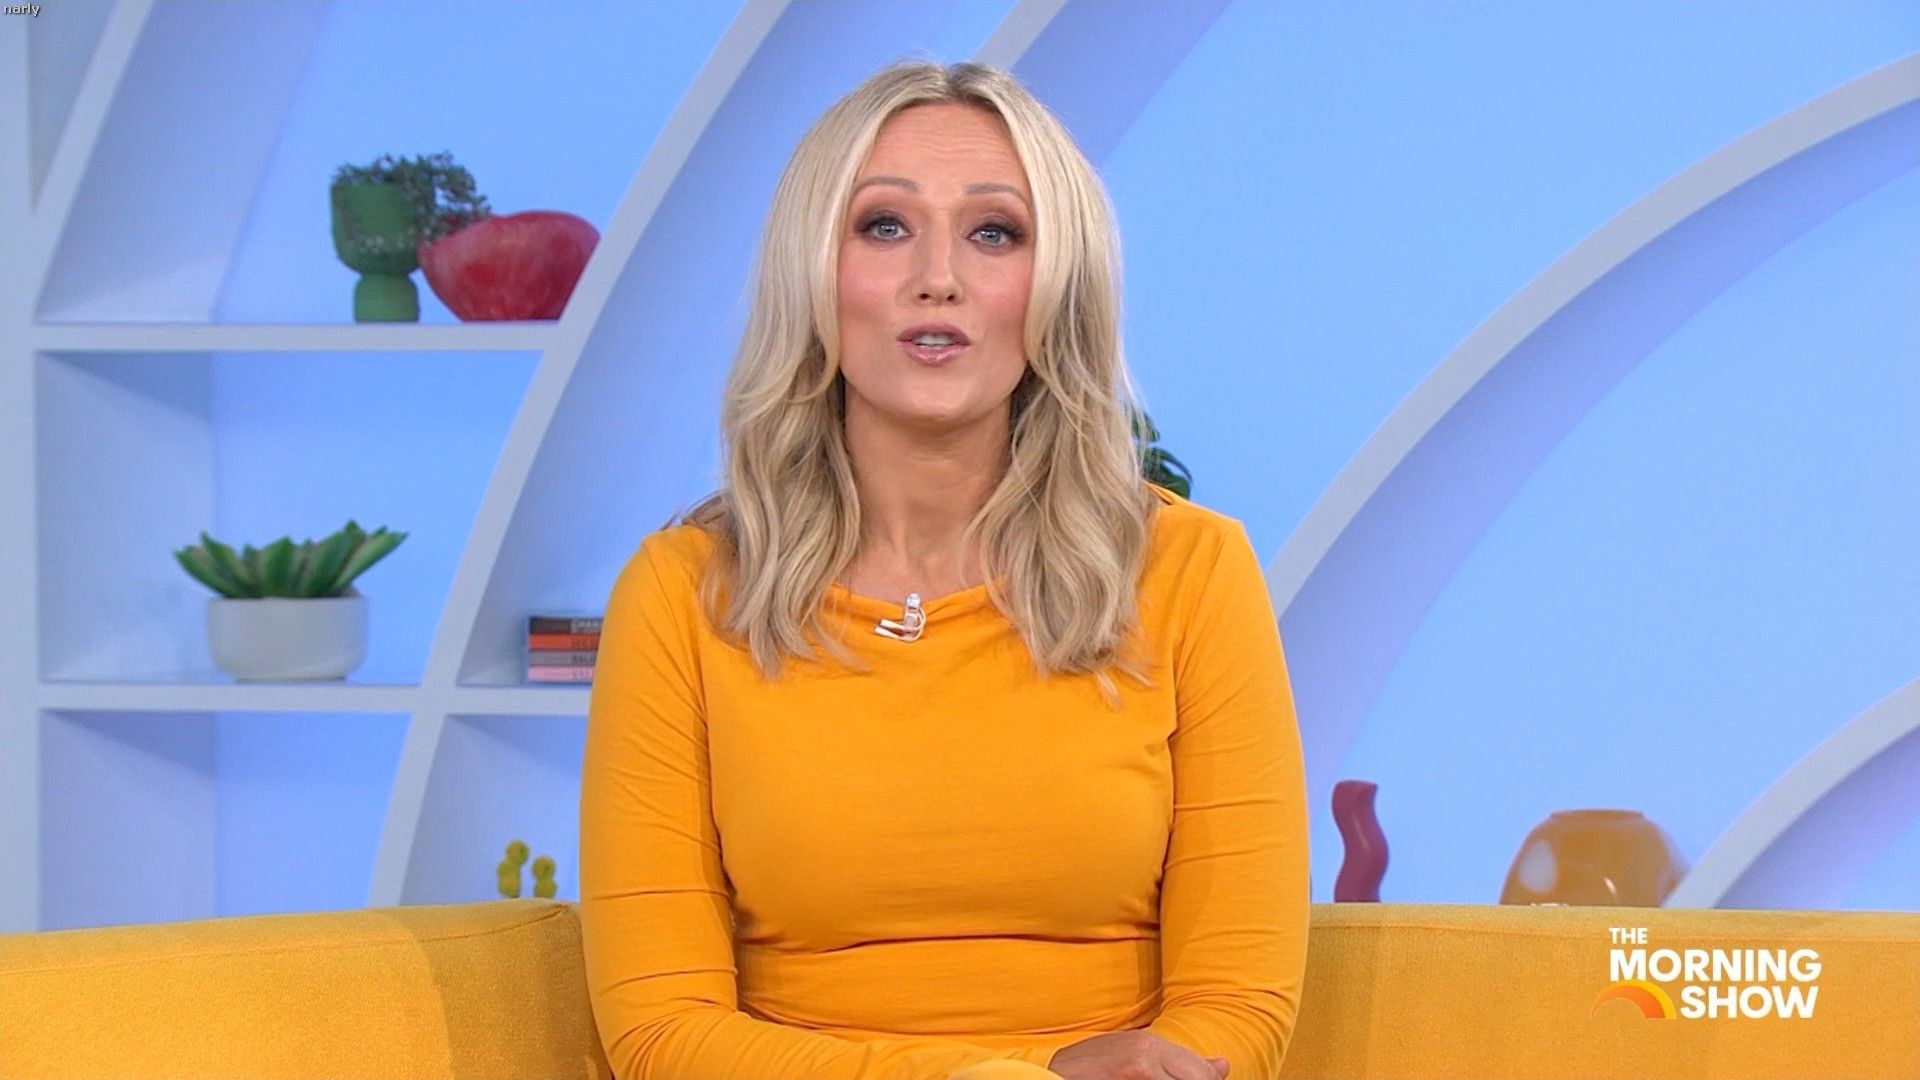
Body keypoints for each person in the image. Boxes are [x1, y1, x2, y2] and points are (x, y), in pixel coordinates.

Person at [579, 59, 1309, 1080]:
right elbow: (660, 1032)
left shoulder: (1192, 571)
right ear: (812, 273)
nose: (939, 277)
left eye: (993, 233)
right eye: (884, 226)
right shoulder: (681, 594)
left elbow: (1238, 1006)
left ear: (1055, 286)